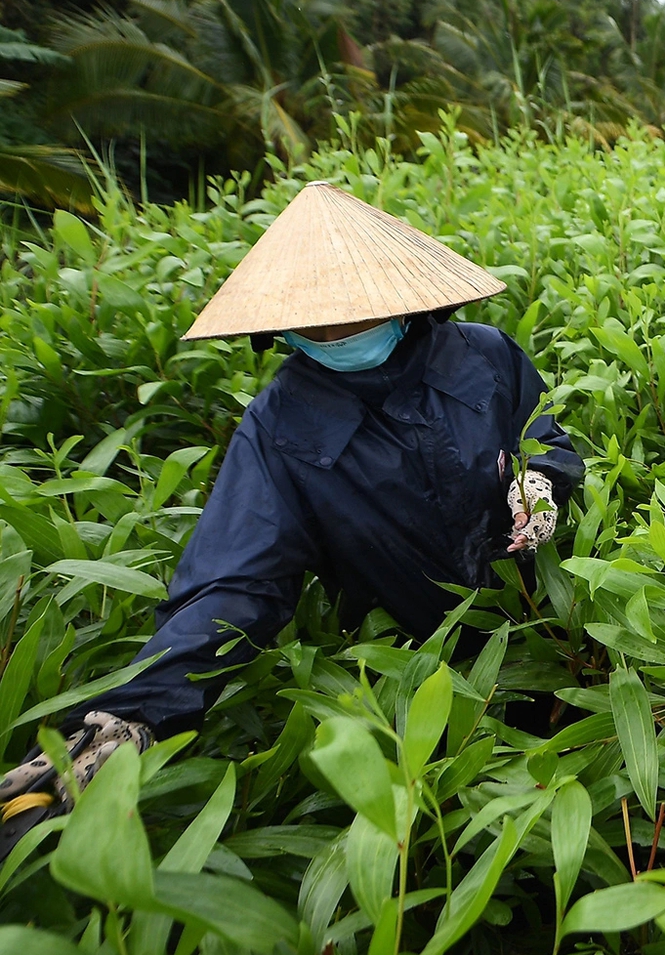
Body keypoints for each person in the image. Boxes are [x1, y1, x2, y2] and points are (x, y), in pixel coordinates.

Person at [0, 182, 582, 852]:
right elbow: (234, 583)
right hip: (425, 672)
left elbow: (544, 435)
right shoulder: (279, 427)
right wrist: (134, 715)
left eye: (351, 314)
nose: (334, 335)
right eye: (313, 323)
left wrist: (542, 484)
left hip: (546, 628)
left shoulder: (484, 354)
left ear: (401, 298)